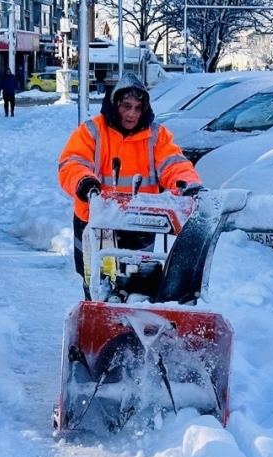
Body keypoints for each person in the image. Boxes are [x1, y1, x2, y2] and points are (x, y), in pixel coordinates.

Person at [58, 72, 204, 299]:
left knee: (139, 282)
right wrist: (85, 183)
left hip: (141, 223)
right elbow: (72, 163)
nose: (132, 114)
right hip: (96, 222)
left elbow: (174, 164)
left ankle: (135, 326)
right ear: (115, 104)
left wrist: (189, 185)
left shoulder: (157, 136)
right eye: (126, 106)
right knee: (97, 283)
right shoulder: (92, 132)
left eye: (138, 108)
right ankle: (99, 326)